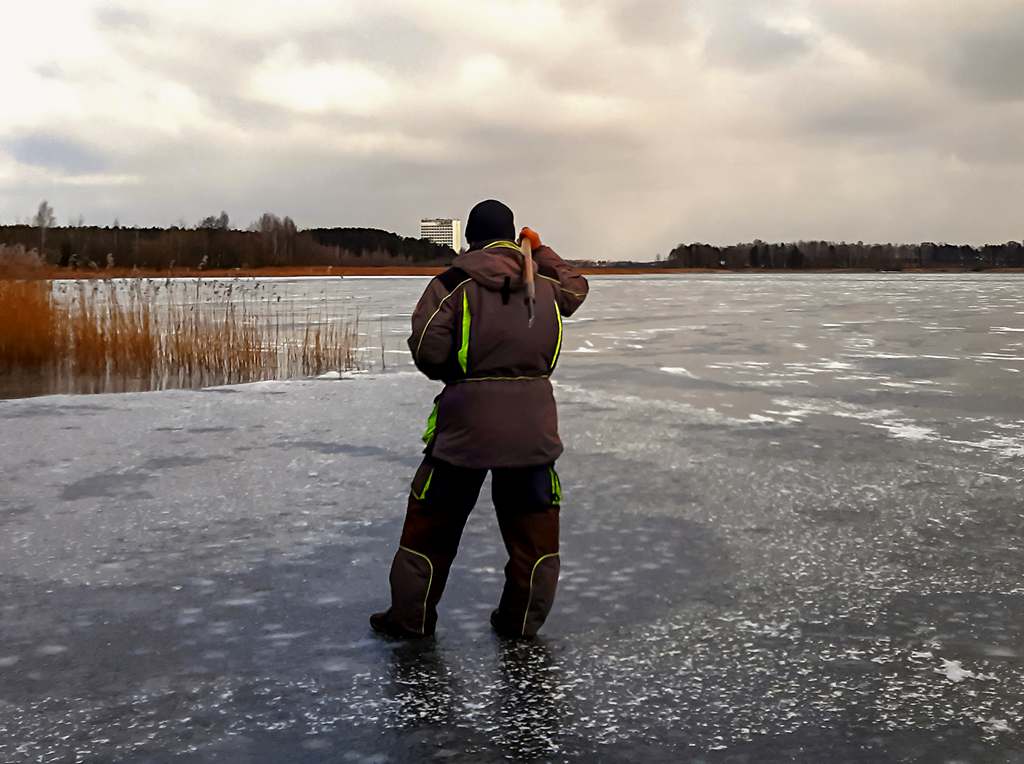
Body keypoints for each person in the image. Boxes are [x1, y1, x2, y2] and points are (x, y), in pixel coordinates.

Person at [370, 199, 589, 639]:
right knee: (535, 535)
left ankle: (411, 620)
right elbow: (577, 288)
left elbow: (427, 347)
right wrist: (539, 250)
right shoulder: (544, 282)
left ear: (470, 236)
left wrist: (459, 378)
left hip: (464, 430)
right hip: (532, 431)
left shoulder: (453, 281)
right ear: (511, 236)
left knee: (429, 527)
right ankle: (519, 622)